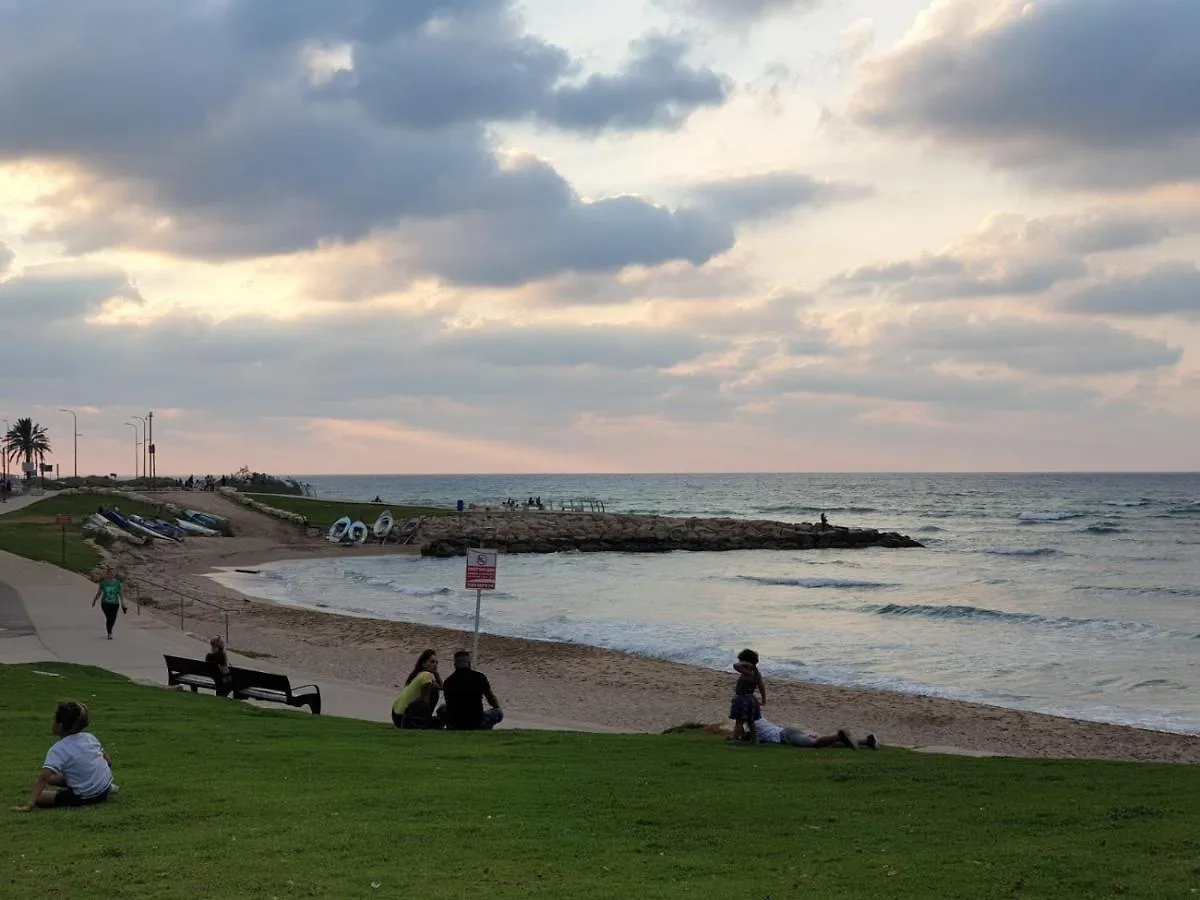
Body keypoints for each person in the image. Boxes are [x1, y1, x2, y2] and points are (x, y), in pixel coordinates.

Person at [11, 701, 119, 811]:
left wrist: (29, 805)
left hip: (84, 797)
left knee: (41, 796)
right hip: (104, 790)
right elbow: (108, 762)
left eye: (53, 720)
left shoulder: (58, 749)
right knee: (53, 778)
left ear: (60, 725)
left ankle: (81, 791)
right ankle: (105, 787)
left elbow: (43, 778)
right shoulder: (89, 737)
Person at [439, 650, 503, 731]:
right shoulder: (479, 677)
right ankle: (485, 727)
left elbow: (449, 704)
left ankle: (451, 726)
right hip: (476, 721)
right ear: (469, 663)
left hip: (456, 722)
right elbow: (491, 699)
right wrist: (497, 707)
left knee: (442, 708)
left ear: (455, 665)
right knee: (498, 713)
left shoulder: (448, 682)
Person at [391, 649, 442, 729]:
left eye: (436, 662)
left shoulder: (417, 676)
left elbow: (441, 687)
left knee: (434, 690)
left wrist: (436, 673)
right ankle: (424, 721)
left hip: (396, 715)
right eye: (432, 662)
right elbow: (425, 702)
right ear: (423, 664)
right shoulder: (426, 676)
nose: (435, 665)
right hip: (404, 718)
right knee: (434, 693)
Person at [730, 648, 766, 744]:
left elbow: (735, 665)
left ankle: (735, 739)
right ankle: (754, 739)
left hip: (742, 698)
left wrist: (746, 664)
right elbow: (762, 687)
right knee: (751, 721)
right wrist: (763, 699)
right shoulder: (757, 673)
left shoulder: (747, 672)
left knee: (739, 721)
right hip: (751, 699)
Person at [91, 571, 127, 640]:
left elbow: (121, 594)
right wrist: (94, 600)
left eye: (112, 573)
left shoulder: (118, 583)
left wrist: (123, 603)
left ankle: (110, 630)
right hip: (105, 603)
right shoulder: (103, 583)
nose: (111, 574)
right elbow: (99, 593)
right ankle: (109, 633)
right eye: (109, 573)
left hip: (115, 603)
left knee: (113, 618)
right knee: (109, 617)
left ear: (114, 574)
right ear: (107, 574)